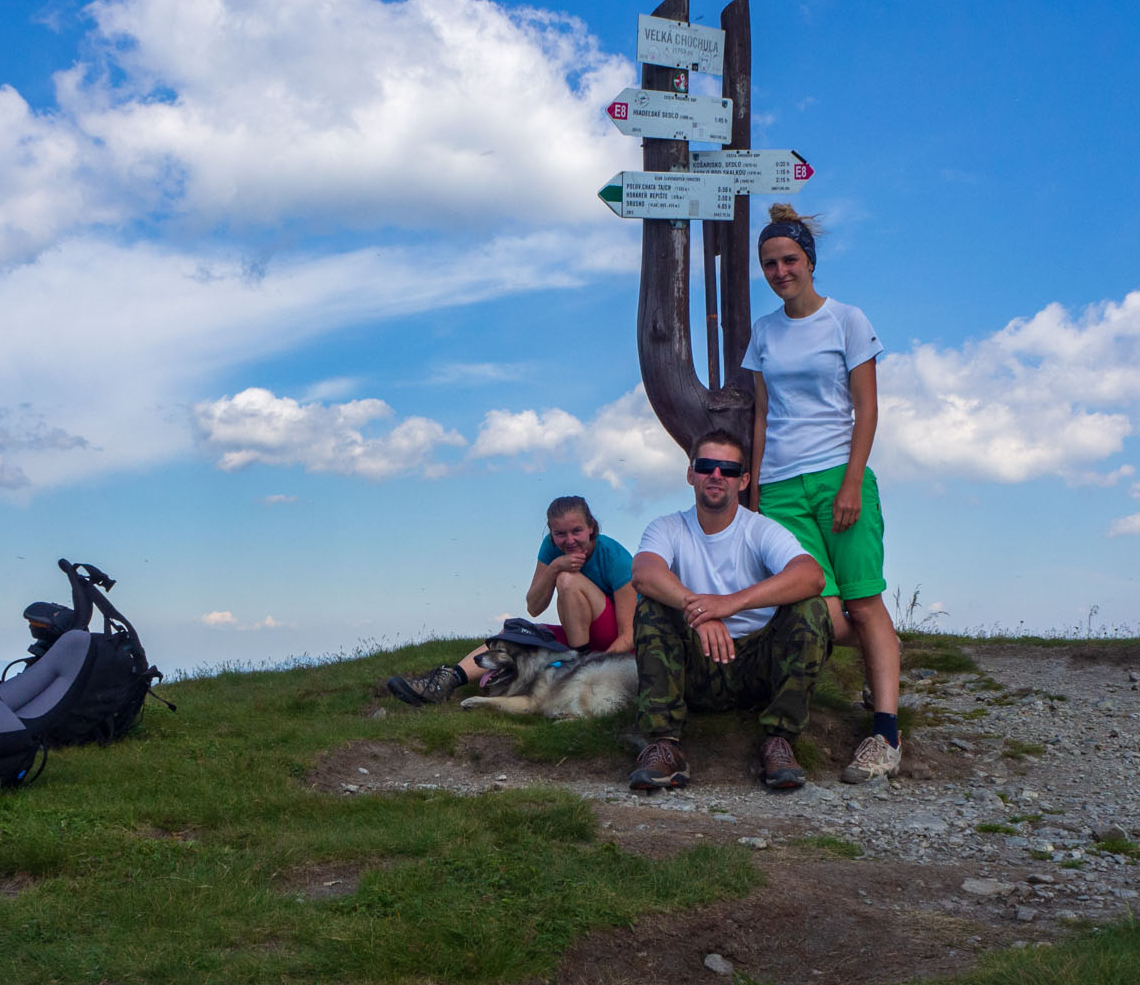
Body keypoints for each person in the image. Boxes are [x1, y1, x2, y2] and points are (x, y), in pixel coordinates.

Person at [743, 203, 904, 783]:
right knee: (824, 613)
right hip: (783, 488)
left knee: (863, 603)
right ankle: (878, 659)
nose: (780, 271)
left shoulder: (847, 320)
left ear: (809, 260)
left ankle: (884, 732)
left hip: (840, 473)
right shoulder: (764, 332)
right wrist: (755, 495)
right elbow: (762, 417)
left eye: (789, 259)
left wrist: (853, 481)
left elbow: (868, 407)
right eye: (769, 264)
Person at [628, 430, 832, 793]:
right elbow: (644, 572)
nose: (716, 475)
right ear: (691, 474)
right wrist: (699, 611)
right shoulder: (667, 526)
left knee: (810, 609)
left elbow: (811, 575)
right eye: (707, 466)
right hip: (696, 665)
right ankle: (663, 744)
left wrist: (728, 604)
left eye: (728, 468)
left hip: (757, 667)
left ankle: (779, 740)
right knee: (652, 607)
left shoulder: (760, 529)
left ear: (744, 479)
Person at [385, 495, 637, 706]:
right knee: (516, 635)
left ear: (591, 527)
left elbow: (630, 634)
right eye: (560, 534)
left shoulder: (614, 556)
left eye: (577, 531)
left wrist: (591, 667)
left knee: (568, 581)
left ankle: (579, 659)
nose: (569, 541)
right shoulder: (551, 549)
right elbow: (534, 607)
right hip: (578, 635)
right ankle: (447, 681)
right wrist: (553, 568)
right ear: (550, 532)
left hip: (614, 639)